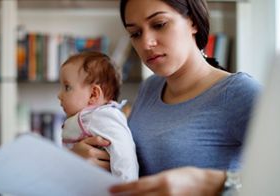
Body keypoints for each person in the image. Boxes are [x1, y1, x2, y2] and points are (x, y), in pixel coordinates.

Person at [70, 0, 261, 195]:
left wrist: (215, 182)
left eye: (159, 24)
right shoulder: (150, 88)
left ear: (193, 21)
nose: (146, 43)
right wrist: (86, 158)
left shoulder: (239, 92)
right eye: (136, 33)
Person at [57, 51, 139, 181]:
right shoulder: (85, 117)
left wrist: (126, 187)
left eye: (67, 87)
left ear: (93, 94)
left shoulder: (103, 116)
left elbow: (124, 152)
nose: (59, 95)